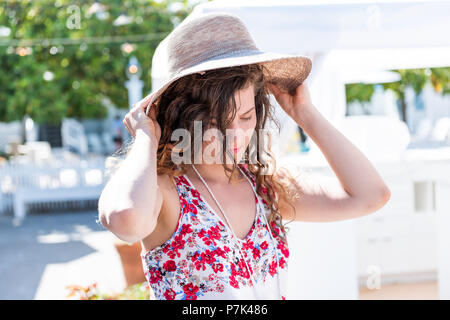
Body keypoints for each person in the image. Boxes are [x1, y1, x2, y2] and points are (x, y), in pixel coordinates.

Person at [98, 12, 391, 300]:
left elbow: (370, 196)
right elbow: (125, 219)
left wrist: (306, 114)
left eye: (246, 116)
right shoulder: (167, 191)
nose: (235, 134)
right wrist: (147, 136)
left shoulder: (266, 186)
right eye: (217, 122)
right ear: (184, 118)